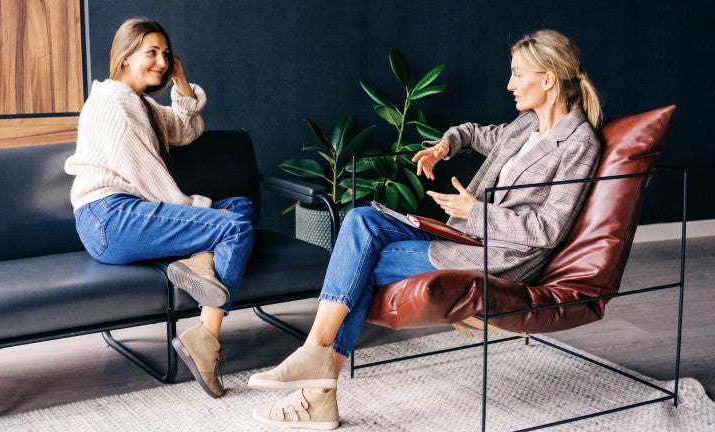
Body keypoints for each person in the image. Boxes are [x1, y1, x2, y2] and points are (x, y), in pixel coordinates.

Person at [247, 29, 603, 429]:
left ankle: (317, 379)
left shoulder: (578, 144)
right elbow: (471, 133)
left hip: (503, 256)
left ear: (548, 78)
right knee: (360, 219)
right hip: (466, 238)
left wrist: (475, 211)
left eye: (517, 74)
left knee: (362, 261)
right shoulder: (526, 127)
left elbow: (550, 229)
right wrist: (442, 147)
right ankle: (318, 370)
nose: (509, 84)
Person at [64, 18, 255, 398]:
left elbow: (186, 130)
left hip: (124, 215)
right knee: (234, 226)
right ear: (124, 57)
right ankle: (207, 338)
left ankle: (200, 264)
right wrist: (201, 210)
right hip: (109, 218)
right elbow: (150, 178)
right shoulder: (113, 104)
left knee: (239, 206)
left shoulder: (141, 104)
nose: (161, 62)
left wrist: (181, 82)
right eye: (151, 53)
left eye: (166, 54)